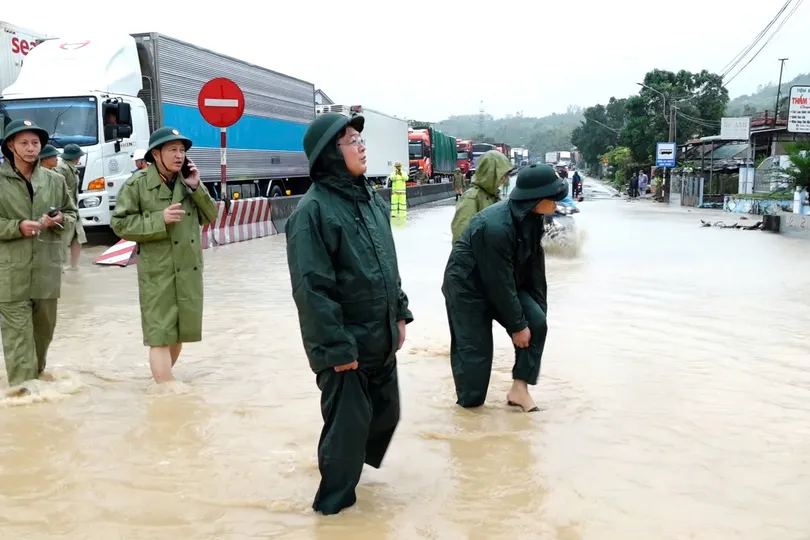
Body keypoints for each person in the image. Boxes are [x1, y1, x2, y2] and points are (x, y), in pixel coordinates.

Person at [285, 112, 413, 515]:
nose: (361, 146)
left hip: (379, 335)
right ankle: (331, 512)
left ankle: (353, 469)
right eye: (351, 140)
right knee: (347, 432)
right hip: (345, 347)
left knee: (387, 413)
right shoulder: (312, 212)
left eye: (360, 138)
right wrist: (336, 348)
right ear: (330, 153)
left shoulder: (370, 200)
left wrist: (400, 312)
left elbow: (387, 264)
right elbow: (312, 289)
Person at [442, 164, 567, 412]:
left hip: (504, 279)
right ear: (535, 199)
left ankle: (519, 390)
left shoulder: (533, 219)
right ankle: (470, 414)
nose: (556, 204)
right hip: (468, 289)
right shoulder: (495, 227)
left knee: (536, 323)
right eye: (552, 198)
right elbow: (497, 282)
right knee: (475, 356)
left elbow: (535, 269)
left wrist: (536, 315)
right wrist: (517, 325)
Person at [110, 127, 218, 384]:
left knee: (180, 332)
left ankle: (161, 383)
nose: (179, 155)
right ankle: (165, 390)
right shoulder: (137, 185)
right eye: (172, 150)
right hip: (157, 271)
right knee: (160, 335)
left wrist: (196, 187)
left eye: (182, 150)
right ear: (156, 154)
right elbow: (120, 224)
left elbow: (211, 216)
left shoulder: (188, 182)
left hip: (188, 268)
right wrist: (159, 219)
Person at [0, 119, 77, 391]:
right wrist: (16, 227)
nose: (31, 148)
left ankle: (37, 384)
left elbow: (72, 214)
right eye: (24, 143)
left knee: (43, 334)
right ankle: (23, 392)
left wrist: (60, 220)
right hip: (10, 272)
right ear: (11, 146)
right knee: (18, 337)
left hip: (47, 269)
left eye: (35, 143)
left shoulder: (55, 180)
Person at [450, 150, 512, 243]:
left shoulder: (496, 196)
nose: (505, 179)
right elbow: (461, 237)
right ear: (492, 174)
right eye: (503, 175)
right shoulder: (471, 198)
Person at [56, 144, 87, 270]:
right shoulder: (61, 168)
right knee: (62, 238)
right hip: (65, 209)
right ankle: (60, 267)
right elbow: (59, 190)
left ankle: (74, 266)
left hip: (73, 208)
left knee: (78, 236)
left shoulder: (71, 168)